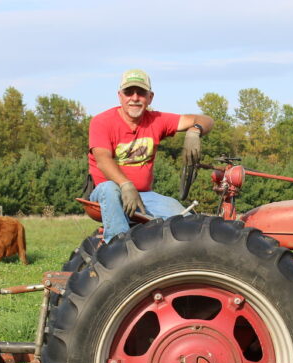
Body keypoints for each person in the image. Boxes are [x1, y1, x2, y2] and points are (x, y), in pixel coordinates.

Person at [88, 68, 213, 242]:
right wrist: (125, 184)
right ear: (120, 96)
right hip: (107, 193)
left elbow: (205, 119)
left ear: (150, 97)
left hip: (144, 195)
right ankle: (117, 248)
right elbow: (103, 160)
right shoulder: (102, 122)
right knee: (110, 189)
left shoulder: (157, 120)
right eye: (128, 92)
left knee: (188, 222)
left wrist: (195, 131)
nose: (134, 98)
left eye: (140, 92)